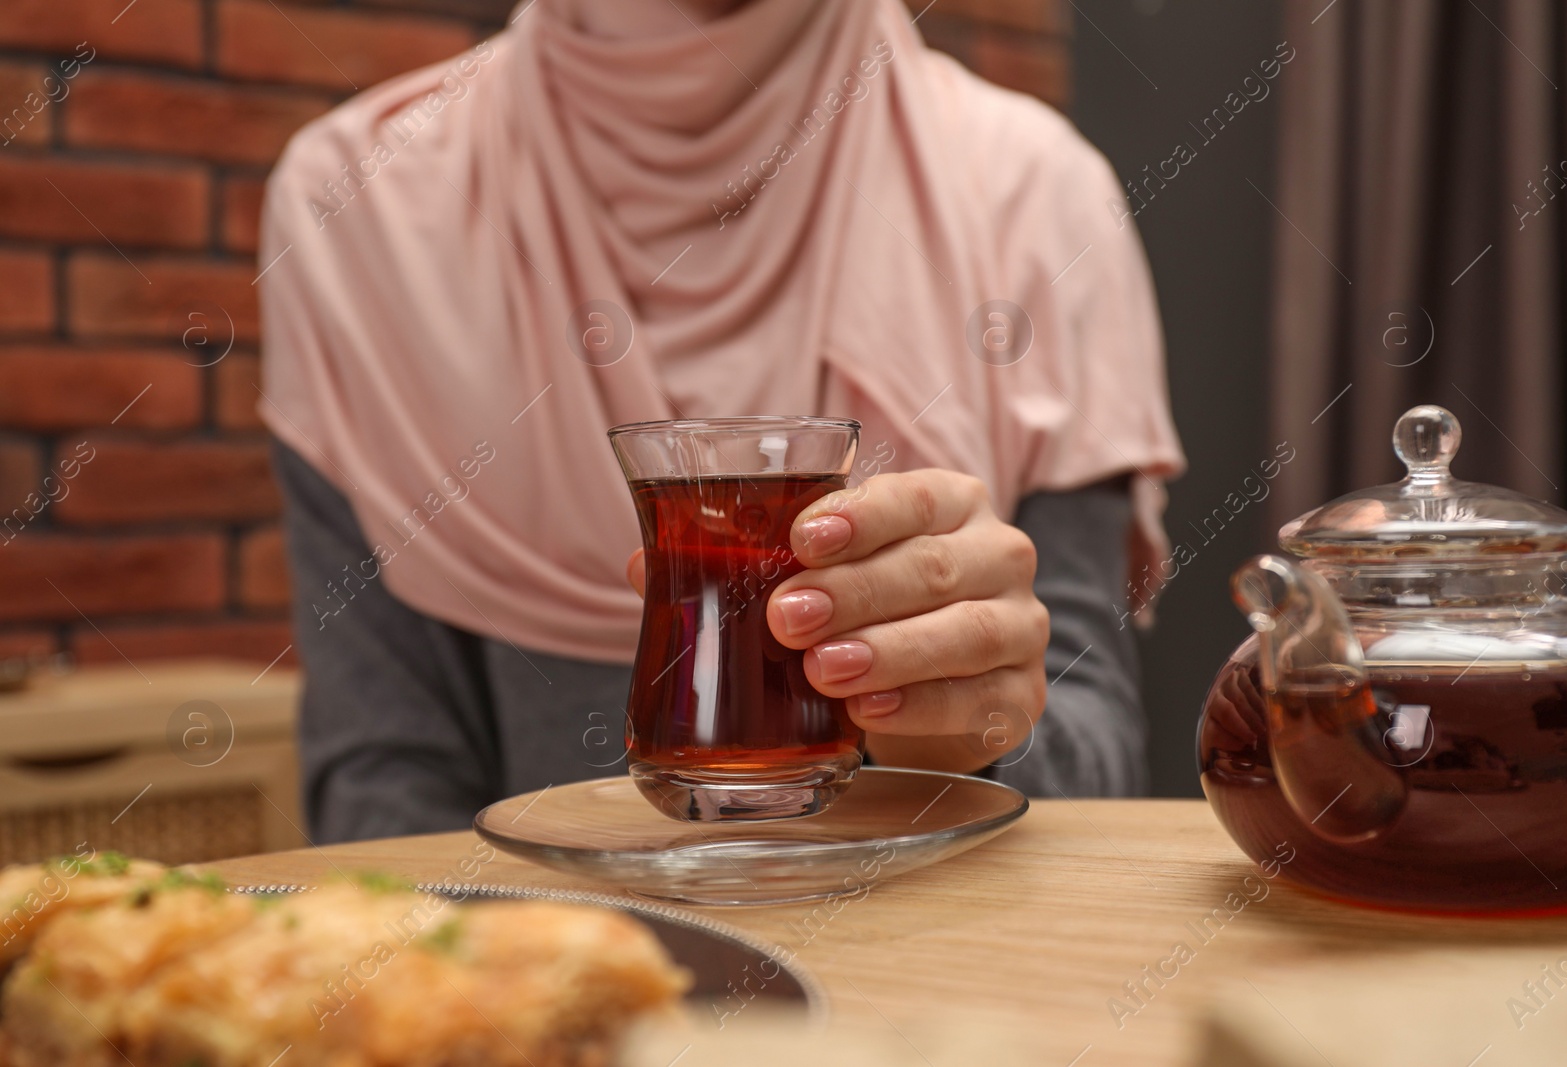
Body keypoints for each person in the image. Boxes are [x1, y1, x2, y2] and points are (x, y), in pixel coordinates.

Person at [259, 0, 1184, 843]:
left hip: (938, 1001)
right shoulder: (354, 202)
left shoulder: (1038, 189)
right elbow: (381, 794)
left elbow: (1099, 771)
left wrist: (955, 744)